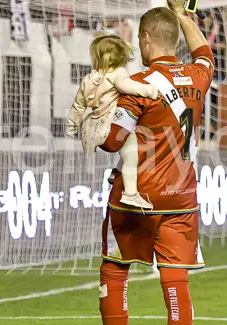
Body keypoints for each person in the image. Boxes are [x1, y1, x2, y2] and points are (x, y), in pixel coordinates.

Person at [85, 0, 213, 325]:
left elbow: (113, 142)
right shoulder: (197, 77)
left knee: (114, 272)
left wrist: (93, 118)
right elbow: (205, 52)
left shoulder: (137, 84)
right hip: (182, 198)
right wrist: (181, 9)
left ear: (142, 41)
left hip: (135, 201)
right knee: (175, 282)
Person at [66, 34, 161, 209]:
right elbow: (129, 87)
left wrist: (71, 125)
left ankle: (116, 172)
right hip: (111, 128)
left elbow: (78, 106)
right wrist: (150, 91)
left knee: (129, 143)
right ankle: (131, 194)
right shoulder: (118, 74)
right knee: (134, 151)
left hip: (92, 130)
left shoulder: (88, 79)